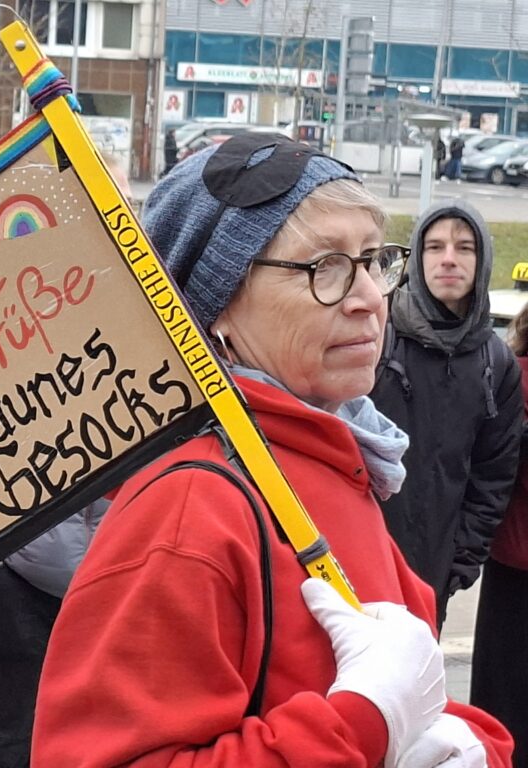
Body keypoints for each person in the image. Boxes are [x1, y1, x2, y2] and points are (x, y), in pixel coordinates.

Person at [31, 133, 513, 767]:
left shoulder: (337, 460)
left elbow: (412, 690)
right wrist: (361, 722)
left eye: (373, 260)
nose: (370, 298)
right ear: (218, 304)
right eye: (325, 267)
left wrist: (471, 742)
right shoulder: (189, 509)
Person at [0, 152, 130, 768]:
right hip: (17, 575)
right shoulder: (5, 310)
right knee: (4, 748)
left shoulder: (125, 302)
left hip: (75, 565)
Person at [370, 200, 522, 627]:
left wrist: (462, 558)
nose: (449, 259)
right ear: (417, 257)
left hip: (433, 573)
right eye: (434, 247)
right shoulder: (377, 334)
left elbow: (494, 474)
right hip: (360, 555)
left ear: (482, 258)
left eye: (464, 247)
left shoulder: (496, 363)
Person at [470, 302, 528, 768]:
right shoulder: (517, 378)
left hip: (510, 560)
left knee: (503, 697)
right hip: (515, 562)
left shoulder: (510, 373)